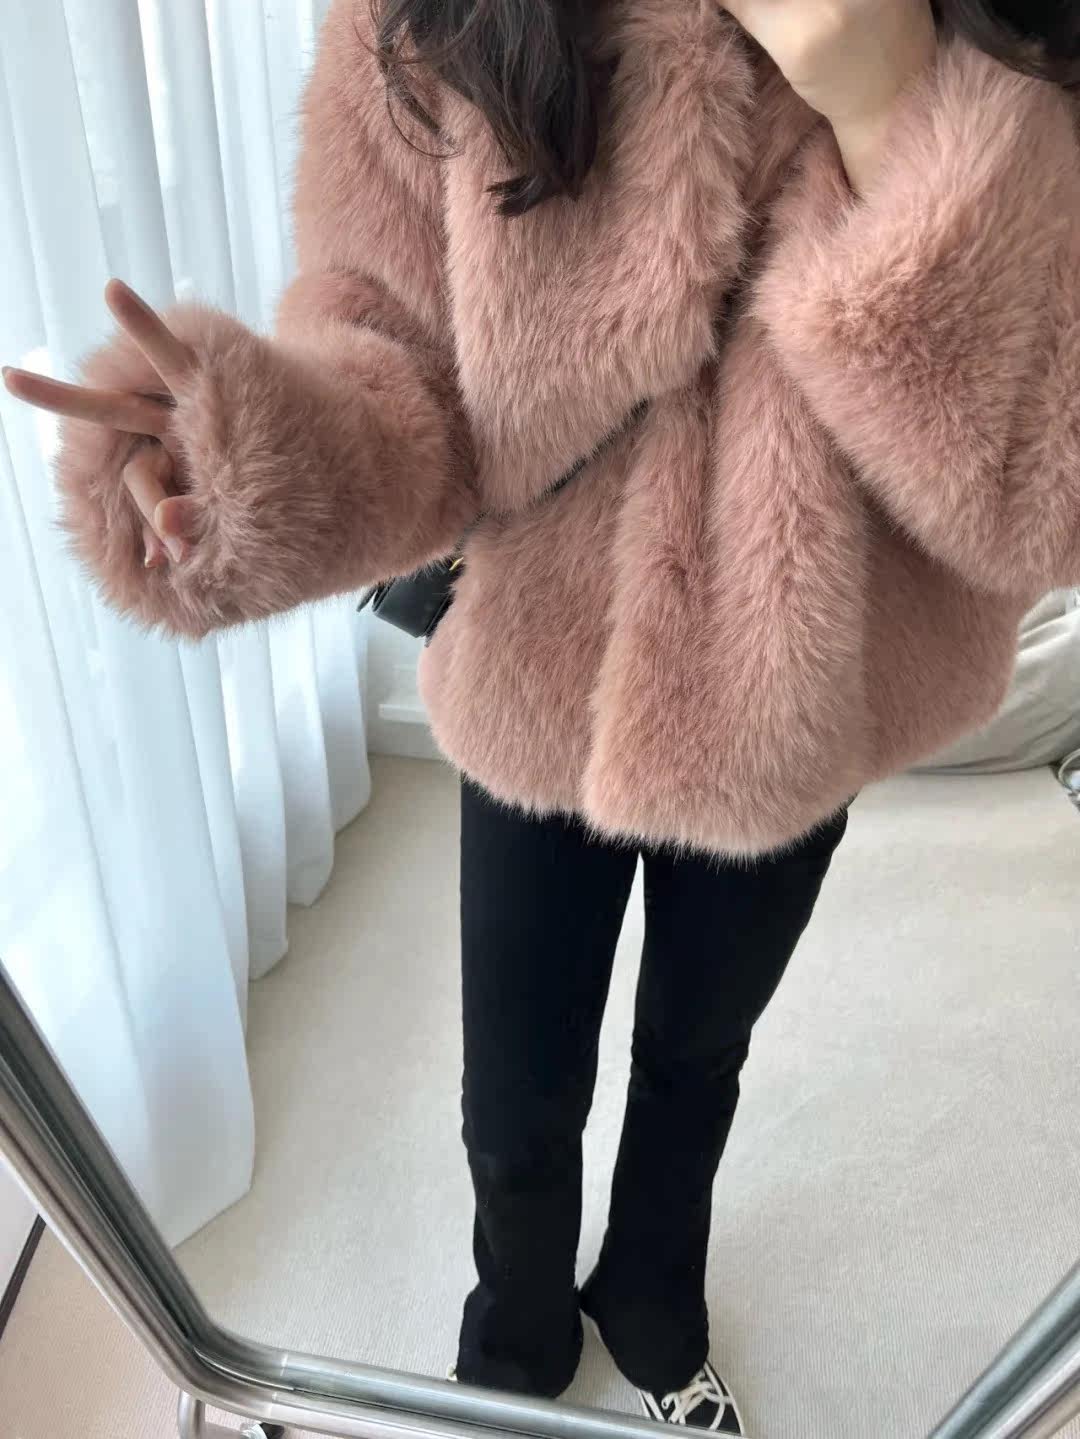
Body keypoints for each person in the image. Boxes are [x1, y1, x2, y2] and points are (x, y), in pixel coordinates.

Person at [6, 0, 1080, 1430]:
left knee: (697, 1059)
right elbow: (390, 356)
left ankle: (654, 1299)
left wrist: (891, 108)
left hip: (806, 713)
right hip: (538, 681)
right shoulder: (431, 20)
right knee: (513, 1093)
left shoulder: (1017, 32)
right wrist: (250, 458)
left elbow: (1048, 499)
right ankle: (513, 1330)